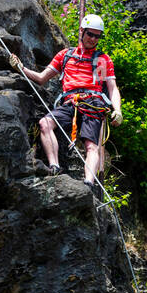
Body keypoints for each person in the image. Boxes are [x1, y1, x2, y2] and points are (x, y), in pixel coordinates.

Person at [9, 14, 123, 194]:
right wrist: (21, 68)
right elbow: (41, 79)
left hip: (93, 102)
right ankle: (54, 166)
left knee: (91, 146)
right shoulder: (66, 56)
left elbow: (111, 88)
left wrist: (117, 110)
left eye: (97, 36)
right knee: (45, 123)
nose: (93, 39)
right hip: (70, 102)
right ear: (81, 31)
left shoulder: (101, 60)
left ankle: (88, 183)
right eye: (90, 34)